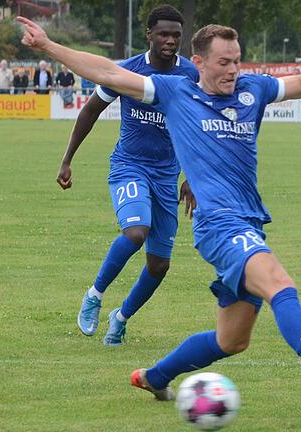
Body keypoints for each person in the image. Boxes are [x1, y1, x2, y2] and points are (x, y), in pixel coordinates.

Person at [19, 17, 301, 402]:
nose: (234, 70)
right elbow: (107, 72)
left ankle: (155, 376)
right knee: (278, 283)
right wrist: (49, 47)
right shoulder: (175, 93)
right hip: (218, 224)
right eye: (223, 62)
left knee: (231, 340)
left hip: (249, 221)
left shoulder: (253, 89)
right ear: (199, 63)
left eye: (237, 60)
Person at [60, 5, 198, 346]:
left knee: (159, 265)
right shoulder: (128, 71)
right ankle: (94, 294)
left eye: (176, 36)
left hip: (167, 175)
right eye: (164, 34)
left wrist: (194, 176)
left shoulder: (191, 75)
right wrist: (67, 160)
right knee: (136, 232)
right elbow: (91, 110)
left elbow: (198, 129)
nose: (170, 41)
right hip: (129, 166)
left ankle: (120, 318)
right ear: (149, 34)